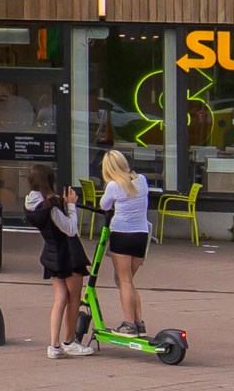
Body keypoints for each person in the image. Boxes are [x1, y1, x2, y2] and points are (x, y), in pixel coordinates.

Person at [28, 184, 93, 357]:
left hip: (52, 255)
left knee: (60, 299)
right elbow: (71, 230)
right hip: (69, 255)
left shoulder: (32, 204)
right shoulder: (51, 206)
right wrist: (70, 206)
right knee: (74, 298)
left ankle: (54, 345)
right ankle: (70, 341)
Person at [95, 148, 154, 335]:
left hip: (122, 234)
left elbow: (104, 205)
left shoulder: (114, 186)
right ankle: (139, 322)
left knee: (124, 281)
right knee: (129, 281)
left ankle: (129, 324)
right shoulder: (141, 180)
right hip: (141, 235)